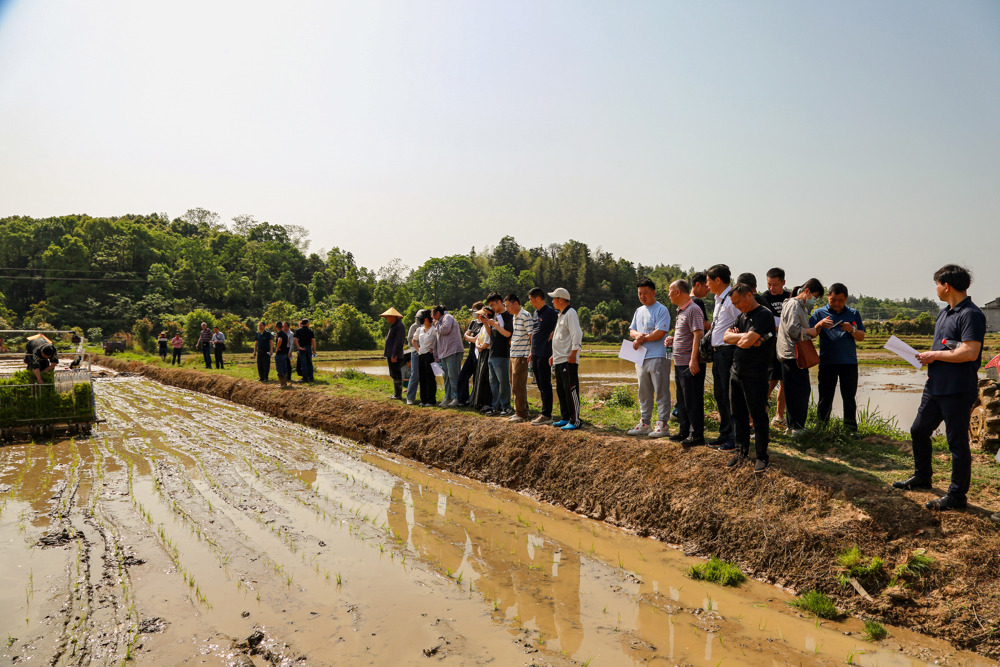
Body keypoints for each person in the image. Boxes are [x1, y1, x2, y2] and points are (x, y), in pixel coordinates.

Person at [894, 265, 986, 511]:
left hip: (956, 389)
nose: (935, 288)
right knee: (918, 430)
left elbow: (970, 351)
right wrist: (931, 365)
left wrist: (933, 355)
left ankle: (957, 496)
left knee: (957, 443)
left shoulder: (971, 314)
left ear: (946, 286)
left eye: (936, 284)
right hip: (935, 385)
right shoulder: (944, 313)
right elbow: (944, 348)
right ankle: (923, 477)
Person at [723, 284, 777, 472]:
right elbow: (725, 337)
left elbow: (744, 343)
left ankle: (762, 456)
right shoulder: (741, 316)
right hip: (736, 372)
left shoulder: (764, 315)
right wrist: (747, 337)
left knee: (758, 415)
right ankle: (740, 451)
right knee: (737, 413)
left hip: (755, 374)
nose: (737, 306)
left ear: (749, 295)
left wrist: (740, 338)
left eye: (738, 301)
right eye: (733, 303)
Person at [809, 283, 866, 431]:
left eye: (840, 300)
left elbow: (861, 336)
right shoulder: (819, 313)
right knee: (825, 397)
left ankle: (850, 429)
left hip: (849, 362)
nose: (836, 303)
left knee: (849, 398)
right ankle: (821, 428)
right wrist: (820, 324)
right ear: (828, 297)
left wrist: (851, 329)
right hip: (827, 362)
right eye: (833, 299)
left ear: (846, 299)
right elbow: (810, 334)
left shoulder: (853, 313)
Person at [776, 278, 825, 433]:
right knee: (800, 392)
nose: (813, 300)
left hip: (792, 355)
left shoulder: (798, 305)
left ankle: (793, 426)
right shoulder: (794, 305)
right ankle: (797, 427)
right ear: (807, 291)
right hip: (793, 355)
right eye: (814, 297)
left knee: (794, 391)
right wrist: (813, 329)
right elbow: (793, 330)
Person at [627, 278, 672, 438]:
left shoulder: (661, 310)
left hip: (658, 356)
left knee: (661, 391)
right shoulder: (639, 311)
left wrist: (641, 338)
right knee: (643, 392)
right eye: (640, 293)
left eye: (645, 293)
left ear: (653, 292)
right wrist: (637, 335)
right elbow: (632, 330)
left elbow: (661, 332)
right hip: (640, 357)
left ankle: (662, 424)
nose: (642, 296)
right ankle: (645, 422)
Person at [666, 279, 705, 447]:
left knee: (692, 399)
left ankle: (696, 434)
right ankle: (684, 431)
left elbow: (698, 334)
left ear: (678, 292)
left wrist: (694, 359)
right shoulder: (681, 311)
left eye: (670, 291)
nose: (668, 294)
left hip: (690, 363)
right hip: (680, 362)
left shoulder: (693, 309)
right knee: (682, 399)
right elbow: (688, 334)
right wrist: (674, 339)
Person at [706, 264, 739, 451]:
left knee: (730, 395)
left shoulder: (731, 299)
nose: (707, 285)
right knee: (720, 394)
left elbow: (742, 319)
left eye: (709, 281)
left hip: (728, 352)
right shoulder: (719, 299)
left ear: (718, 280)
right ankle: (724, 432)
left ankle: (734, 436)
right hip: (718, 353)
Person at [549, 288, 583, 430]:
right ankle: (565, 417)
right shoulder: (561, 315)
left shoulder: (571, 313)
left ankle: (575, 420)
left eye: (554, 298)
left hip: (567, 358)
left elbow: (577, 334)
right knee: (561, 390)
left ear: (561, 299)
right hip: (558, 358)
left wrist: (574, 352)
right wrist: (553, 355)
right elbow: (560, 338)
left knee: (570, 389)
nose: (552, 301)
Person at [762, 268, 792, 429]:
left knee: (784, 380)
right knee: (770, 379)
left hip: (786, 345)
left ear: (783, 283)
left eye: (775, 285)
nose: (771, 288)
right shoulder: (763, 298)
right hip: (770, 346)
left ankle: (779, 416)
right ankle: (759, 412)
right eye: (769, 284)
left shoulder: (789, 297)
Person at [528, 287, 558, 426]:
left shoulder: (551, 312)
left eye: (531, 299)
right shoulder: (535, 313)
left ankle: (547, 414)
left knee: (545, 384)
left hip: (546, 353)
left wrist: (554, 331)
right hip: (536, 352)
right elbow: (534, 332)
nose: (530, 302)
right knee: (539, 383)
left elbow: (562, 323)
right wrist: (531, 352)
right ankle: (544, 411)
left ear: (538, 298)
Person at [483, 292, 512, 417]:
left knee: (503, 382)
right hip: (492, 353)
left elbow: (507, 334)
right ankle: (496, 406)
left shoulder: (508, 316)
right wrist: (485, 323)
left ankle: (506, 407)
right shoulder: (495, 315)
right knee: (493, 382)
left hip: (502, 354)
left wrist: (494, 324)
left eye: (493, 304)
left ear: (499, 302)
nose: (492, 307)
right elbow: (491, 334)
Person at [505, 294, 533, 423]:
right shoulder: (515, 317)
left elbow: (531, 335)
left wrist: (531, 352)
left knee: (518, 385)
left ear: (516, 303)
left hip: (522, 355)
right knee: (514, 384)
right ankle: (522, 410)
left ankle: (521, 413)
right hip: (514, 354)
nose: (507, 309)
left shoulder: (525, 316)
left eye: (508, 306)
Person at [431, 305, 464, 407]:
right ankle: (448, 397)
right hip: (444, 353)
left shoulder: (447, 317)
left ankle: (457, 398)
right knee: (446, 376)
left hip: (453, 351)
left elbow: (445, 329)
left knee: (453, 376)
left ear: (437, 313)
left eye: (432, 313)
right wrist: (436, 356)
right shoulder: (438, 323)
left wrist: (436, 324)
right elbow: (437, 340)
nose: (431, 316)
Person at [456, 301, 485, 406]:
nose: (473, 313)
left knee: (477, 378)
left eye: (475, 311)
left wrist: (471, 338)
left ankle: (475, 400)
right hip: (472, 353)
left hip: (480, 354)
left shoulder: (485, 323)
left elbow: (479, 338)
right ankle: (462, 399)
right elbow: (466, 335)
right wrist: (472, 339)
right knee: (463, 376)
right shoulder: (473, 323)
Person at [470, 306, 494, 411]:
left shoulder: (490, 325)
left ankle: (486, 402)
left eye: (482, 315)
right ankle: (478, 401)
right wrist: (478, 345)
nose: (479, 316)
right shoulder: (483, 326)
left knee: (485, 377)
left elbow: (490, 339)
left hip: (487, 352)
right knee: (479, 377)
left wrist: (483, 346)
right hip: (481, 352)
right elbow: (477, 338)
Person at [381, 307, 406, 400]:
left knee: (396, 373)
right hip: (391, 354)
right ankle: (396, 393)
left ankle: (398, 395)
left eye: (388, 316)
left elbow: (398, 341)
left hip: (395, 355)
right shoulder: (394, 325)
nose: (387, 318)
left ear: (394, 317)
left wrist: (394, 354)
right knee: (393, 373)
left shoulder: (399, 326)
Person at [416, 310, 438, 406]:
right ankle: (423, 400)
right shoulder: (419, 329)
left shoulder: (434, 329)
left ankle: (431, 400)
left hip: (431, 356)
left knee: (431, 377)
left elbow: (439, 341)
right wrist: (418, 350)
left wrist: (434, 350)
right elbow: (413, 340)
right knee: (422, 377)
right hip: (421, 355)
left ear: (426, 319)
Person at [405, 312, 424, 405]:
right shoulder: (414, 326)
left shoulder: (430, 326)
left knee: (426, 375)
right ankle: (410, 397)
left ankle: (424, 397)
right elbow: (409, 340)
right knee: (415, 374)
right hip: (415, 352)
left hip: (426, 352)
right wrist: (418, 345)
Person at [274, 321, 291, 388]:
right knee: (284, 368)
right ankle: (285, 383)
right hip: (285, 353)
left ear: (276, 327)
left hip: (280, 353)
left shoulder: (280, 333)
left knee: (279, 368)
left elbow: (280, 340)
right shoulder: (284, 333)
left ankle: (282, 384)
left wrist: (277, 348)